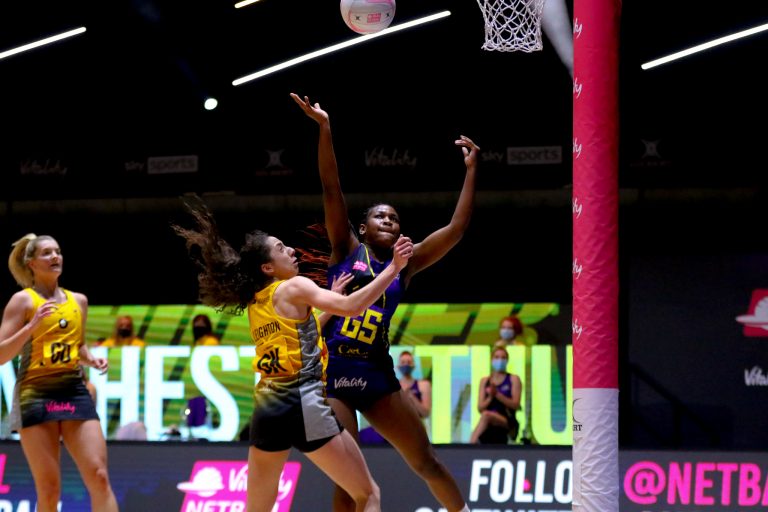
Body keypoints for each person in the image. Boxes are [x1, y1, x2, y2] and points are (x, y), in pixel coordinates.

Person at [291, 92, 477, 512]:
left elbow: (457, 228)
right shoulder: (346, 249)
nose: (390, 221)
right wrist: (325, 129)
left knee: (425, 462)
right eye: (381, 216)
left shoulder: (405, 265)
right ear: (363, 225)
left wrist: (471, 170)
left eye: (395, 218)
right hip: (335, 374)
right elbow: (331, 186)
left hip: (377, 375)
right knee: (348, 481)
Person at [172, 197, 414, 512]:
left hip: (268, 409)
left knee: (257, 508)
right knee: (367, 494)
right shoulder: (295, 286)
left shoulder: (257, 302)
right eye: (282, 248)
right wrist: (395, 267)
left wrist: (333, 298)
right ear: (267, 267)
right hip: (304, 402)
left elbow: (305, 330)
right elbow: (355, 308)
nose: (293, 251)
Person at [0, 234, 118, 512]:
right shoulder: (22, 302)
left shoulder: (79, 301)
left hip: (73, 391)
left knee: (99, 477)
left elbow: (77, 347)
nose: (55, 257)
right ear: (31, 263)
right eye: (46, 253)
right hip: (36, 395)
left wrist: (92, 360)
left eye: (58, 251)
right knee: (50, 490)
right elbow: (1, 354)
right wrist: (31, 327)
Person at [469, 346, 522, 444]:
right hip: (489, 421)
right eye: (497, 357)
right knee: (486, 416)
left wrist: (497, 394)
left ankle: (470, 445)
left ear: (507, 360)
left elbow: (516, 405)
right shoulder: (485, 381)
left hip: (507, 419)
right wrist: (490, 397)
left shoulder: (513, 379)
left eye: (503, 358)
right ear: (492, 360)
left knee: (486, 415)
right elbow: (480, 408)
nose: (500, 360)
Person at [397, 351, 431, 420]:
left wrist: (412, 397)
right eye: (403, 362)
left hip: (416, 427)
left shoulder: (424, 385)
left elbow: (426, 413)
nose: (406, 365)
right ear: (398, 366)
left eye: (409, 362)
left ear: (414, 366)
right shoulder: (393, 387)